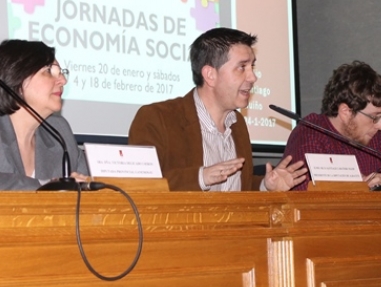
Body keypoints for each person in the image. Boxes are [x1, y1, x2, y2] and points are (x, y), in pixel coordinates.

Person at [128, 27, 308, 191]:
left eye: (252, 66)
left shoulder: (237, 124)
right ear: (210, 75)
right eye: (242, 67)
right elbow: (140, 186)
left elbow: (238, 190)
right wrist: (201, 177)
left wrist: (265, 186)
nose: (253, 77)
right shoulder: (157, 118)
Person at [0, 40, 88, 190]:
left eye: (62, 73)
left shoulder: (59, 131)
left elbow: (90, 185)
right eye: (48, 71)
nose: (63, 81)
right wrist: (44, 186)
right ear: (16, 76)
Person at [283, 61, 381, 190]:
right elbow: (305, 198)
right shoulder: (310, 134)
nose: (380, 126)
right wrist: (359, 191)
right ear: (346, 112)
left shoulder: (373, 137)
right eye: (374, 117)